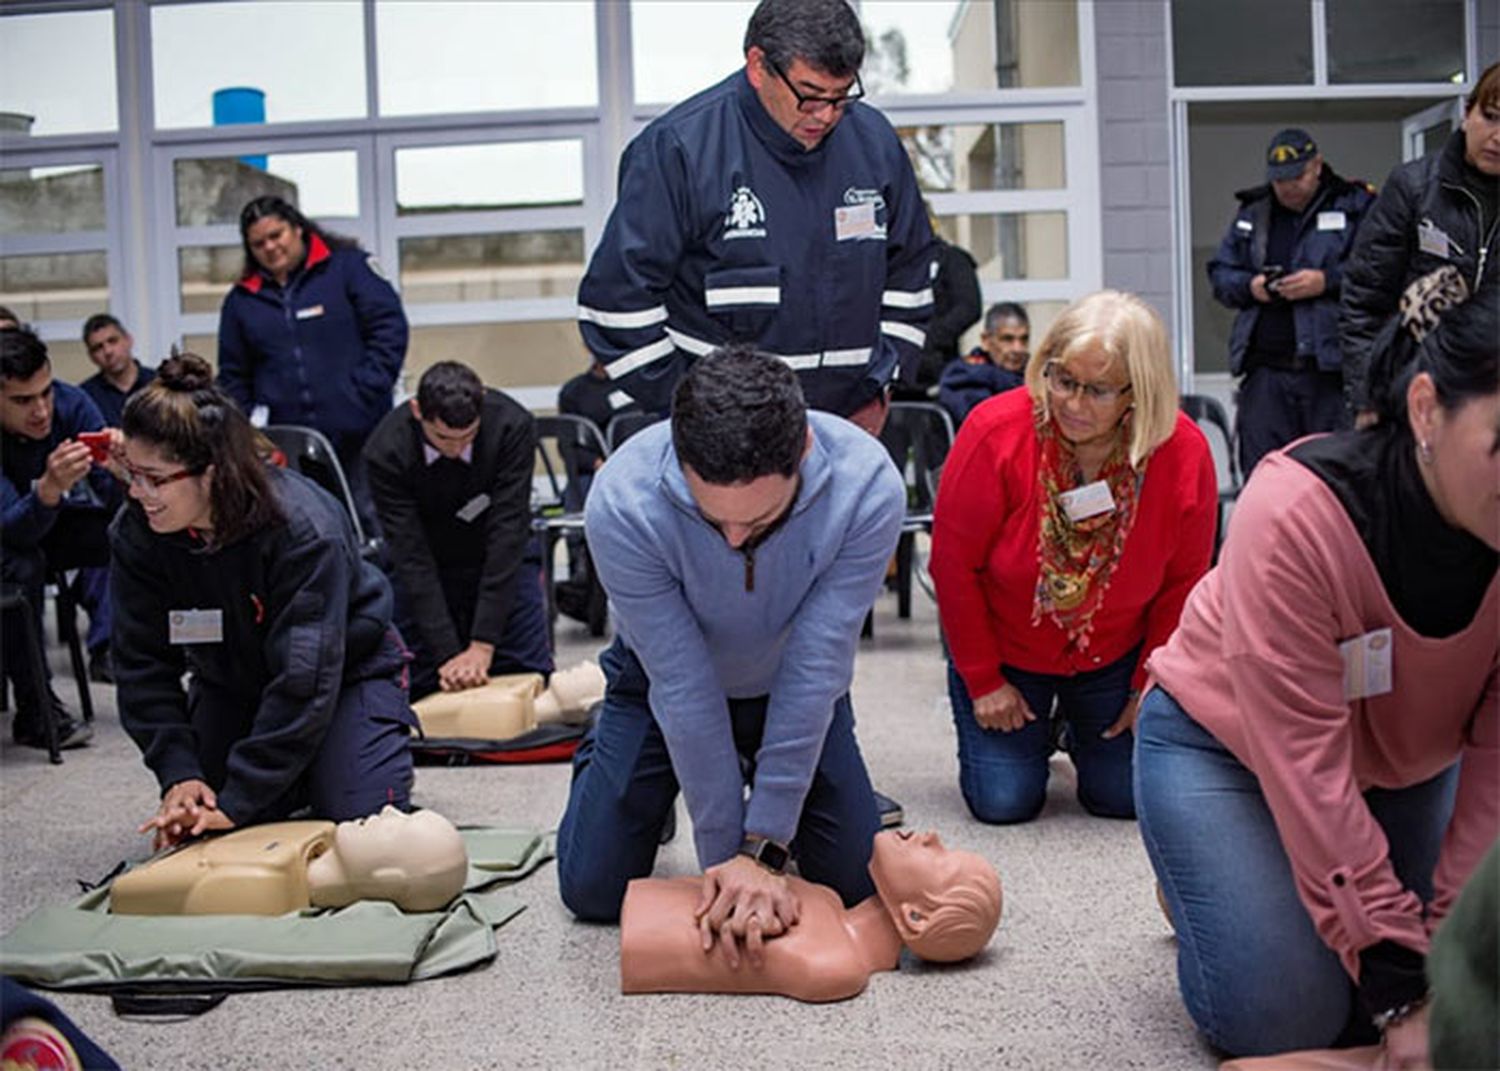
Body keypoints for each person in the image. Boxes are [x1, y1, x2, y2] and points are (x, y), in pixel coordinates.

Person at [1133, 283, 1498, 1063]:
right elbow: (1307, 768)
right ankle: (1206, 886)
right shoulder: (1294, 511)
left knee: (1460, 977)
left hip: (1400, 764)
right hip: (1225, 751)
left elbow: (1494, 780)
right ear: (1428, 409)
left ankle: (1255, 894)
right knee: (1291, 1015)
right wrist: (1401, 985)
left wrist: (1451, 968)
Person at [556, 346, 906, 948]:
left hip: (792, 681)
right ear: (679, 451)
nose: (735, 538)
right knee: (593, 891)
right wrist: (730, 866)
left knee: (852, 882)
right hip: (660, 684)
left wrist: (764, 845)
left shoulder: (867, 485)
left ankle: (756, 775)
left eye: (761, 519)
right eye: (712, 519)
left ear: (804, 451)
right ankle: (609, 747)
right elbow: (683, 685)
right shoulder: (622, 501)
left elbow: (816, 665)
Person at [576, 0, 934, 433]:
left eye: (841, 97)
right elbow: (616, 306)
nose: (825, 115)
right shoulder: (679, 150)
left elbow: (910, 276)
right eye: (810, 95)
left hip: (848, 427)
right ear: (758, 66)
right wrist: (692, 412)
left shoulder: (874, 143)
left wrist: (882, 384)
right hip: (727, 444)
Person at [929, 290, 1217, 825]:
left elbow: (1184, 583)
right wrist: (983, 680)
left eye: (1098, 390)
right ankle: (1038, 731)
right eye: (1063, 380)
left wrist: (1150, 689)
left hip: (1116, 655)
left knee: (1123, 800)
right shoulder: (994, 431)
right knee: (1005, 801)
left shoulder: (1183, 452)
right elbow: (951, 565)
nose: (1073, 404)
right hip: (1008, 651)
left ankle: (1076, 729)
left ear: (1140, 391)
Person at [110, 353, 416, 851]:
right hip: (232, 679)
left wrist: (241, 799)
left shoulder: (302, 529)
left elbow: (304, 680)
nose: (139, 493)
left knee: (360, 828)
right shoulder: (138, 532)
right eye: (132, 475)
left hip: (345, 673)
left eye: (155, 479)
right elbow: (140, 664)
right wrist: (179, 775)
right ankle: (290, 775)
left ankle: (337, 758)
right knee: (205, 810)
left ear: (211, 473)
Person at [216, 195, 409, 534]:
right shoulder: (241, 301)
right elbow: (233, 372)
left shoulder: (349, 268)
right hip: (288, 446)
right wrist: (251, 422)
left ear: (298, 229)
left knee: (371, 523)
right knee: (306, 529)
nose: (270, 247)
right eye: (259, 243)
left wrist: (364, 389)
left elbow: (389, 329)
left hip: (361, 433)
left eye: (277, 235)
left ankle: (378, 588)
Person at [619, 829, 1001, 1000]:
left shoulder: (836, 967)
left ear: (916, 917)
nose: (932, 836)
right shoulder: (828, 899)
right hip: (645, 907)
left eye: (941, 860)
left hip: (640, 941)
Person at [362, 360, 551, 701]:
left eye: (468, 437)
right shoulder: (386, 450)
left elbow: (508, 532)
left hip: (499, 558)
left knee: (526, 677)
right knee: (421, 686)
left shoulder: (512, 425)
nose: (456, 449)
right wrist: (449, 654)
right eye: (443, 438)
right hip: (427, 563)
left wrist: (482, 645)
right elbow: (411, 555)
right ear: (417, 411)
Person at [1207, 128, 1376, 476]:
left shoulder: (1355, 204)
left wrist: (1325, 282)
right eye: (1279, 179)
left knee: (1331, 477)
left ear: (1317, 165)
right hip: (1265, 374)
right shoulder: (1254, 212)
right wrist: (1251, 286)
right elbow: (1220, 273)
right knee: (1263, 477)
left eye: (1296, 176)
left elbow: (1379, 269)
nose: (1287, 187)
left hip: (1326, 373)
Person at [1341, 61, 1500, 427]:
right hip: (1415, 395)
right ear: (1467, 114)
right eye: (1490, 117)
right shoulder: (1413, 188)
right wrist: (1367, 400)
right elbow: (1363, 302)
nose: (1497, 136)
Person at [0, 326, 119, 749]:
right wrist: (48, 490)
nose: (41, 411)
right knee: (22, 564)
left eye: (45, 393)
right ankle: (35, 708)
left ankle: (170, 664)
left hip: (46, 522)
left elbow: (113, 499)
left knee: (126, 536)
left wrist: (126, 469)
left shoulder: (71, 402)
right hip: (10, 540)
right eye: (22, 400)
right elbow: (11, 530)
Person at [109, 806, 468, 916]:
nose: (388, 810)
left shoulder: (256, 886)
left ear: (389, 879)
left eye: (397, 827)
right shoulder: (320, 832)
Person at [411, 661, 605, 740]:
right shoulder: (527, 684)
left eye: (597, 674)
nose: (586, 664)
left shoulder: (506, 710)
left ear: (587, 704)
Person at [937, 302, 1029, 427]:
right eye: (1007, 339)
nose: (1018, 348)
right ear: (986, 340)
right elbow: (983, 423)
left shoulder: (1033, 374)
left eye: (1024, 339)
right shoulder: (965, 375)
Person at [79, 314, 155, 428]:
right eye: (98, 347)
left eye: (112, 341)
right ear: (91, 357)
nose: (108, 351)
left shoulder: (160, 384)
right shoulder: (85, 398)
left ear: (129, 340)